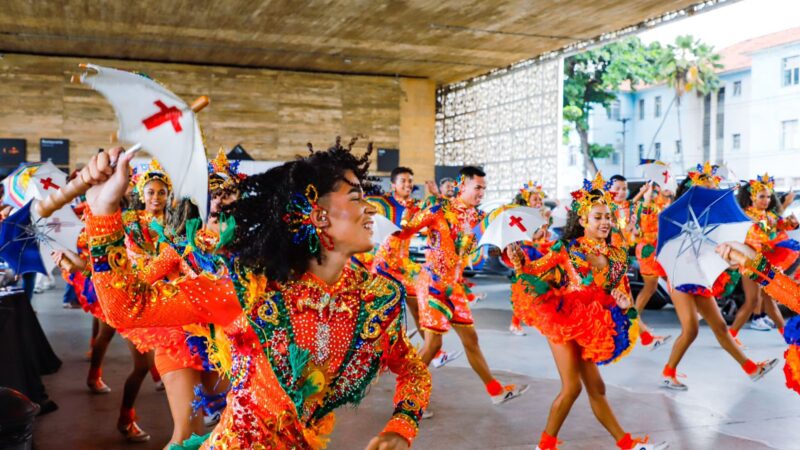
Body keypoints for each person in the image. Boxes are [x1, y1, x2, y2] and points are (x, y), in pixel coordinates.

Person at [81, 140, 430, 449]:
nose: (371, 208)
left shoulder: (375, 298)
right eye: (356, 198)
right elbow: (126, 306)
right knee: (184, 433)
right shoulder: (251, 288)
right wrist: (104, 211)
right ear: (315, 214)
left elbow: (413, 369)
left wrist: (401, 426)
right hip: (222, 415)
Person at [508, 172, 664, 450]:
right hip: (562, 321)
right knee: (572, 388)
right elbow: (533, 272)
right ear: (582, 221)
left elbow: (621, 298)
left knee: (597, 389)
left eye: (607, 217)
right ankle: (544, 446)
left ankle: (628, 445)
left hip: (591, 327)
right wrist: (519, 262)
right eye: (597, 217)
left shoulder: (616, 257)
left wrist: (625, 306)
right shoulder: (567, 250)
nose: (605, 222)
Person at [396, 166, 527, 405]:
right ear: (462, 185)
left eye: (484, 189)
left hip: (454, 288)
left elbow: (494, 251)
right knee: (433, 344)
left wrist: (511, 250)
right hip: (433, 283)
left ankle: (496, 391)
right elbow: (404, 233)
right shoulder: (439, 209)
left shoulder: (478, 219)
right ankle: (407, 399)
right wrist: (407, 218)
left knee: (471, 341)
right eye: (478, 187)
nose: (481, 193)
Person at [660, 163, 777, 391]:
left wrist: (731, 259)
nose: (711, 191)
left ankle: (752, 369)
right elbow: (677, 254)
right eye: (706, 188)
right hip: (682, 278)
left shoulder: (708, 221)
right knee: (691, 329)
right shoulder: (678, 219)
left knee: (721, 328)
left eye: (712, 188)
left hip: (699, 279)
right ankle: (668, 371)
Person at [716, 241, 800, 395]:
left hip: (758, 263)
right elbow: (784, 289)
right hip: (756, 263)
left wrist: (745, 257)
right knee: (754, 301)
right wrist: (745, 257)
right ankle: (733, 335)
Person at [728, 174, 798, 342]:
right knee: (752, 301)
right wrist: (773, 224)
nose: (766, 200)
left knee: (770, 301)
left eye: (768, 196)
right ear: (752, 197)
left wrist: (792, 222)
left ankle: (788, 338)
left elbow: (778, 224)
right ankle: (730, 337)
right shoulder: (745, 216)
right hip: (750, 262)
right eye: (762, 196)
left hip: (764, 262)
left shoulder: (766, 216)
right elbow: (762, 232)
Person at [632, 181, 673, 350]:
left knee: (664, 282)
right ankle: (633, 327)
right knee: (649, 288)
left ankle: (642, 333)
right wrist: (646, 199)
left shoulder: (666, 203)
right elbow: (644, 223)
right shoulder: (648, 206)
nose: (669, 187)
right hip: (648, 250)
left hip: (659, 249)